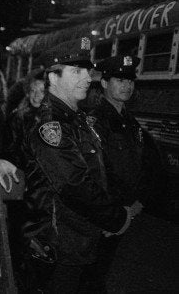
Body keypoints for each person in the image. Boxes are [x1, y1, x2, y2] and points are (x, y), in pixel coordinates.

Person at [23, 38, 140, 293]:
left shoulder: (77, 120)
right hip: (58, 245)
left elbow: (100, 173)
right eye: (76, 71)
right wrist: (116, 218)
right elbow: (74, 184)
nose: (88, 77)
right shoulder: (51, 126)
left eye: (88, 70)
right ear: (53, 78)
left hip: (80, 239)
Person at [87, 55, 168, 290]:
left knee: (102, 274)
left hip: (125, 213)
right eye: (120, 80)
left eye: (130, 80)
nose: (127, 86)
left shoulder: (130, 122)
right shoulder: (96, 121)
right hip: (106, 216)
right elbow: (99, 173)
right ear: (104, 83)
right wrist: (114, 213)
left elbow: (149, 165)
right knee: (90, 276)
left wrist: (138, 203)